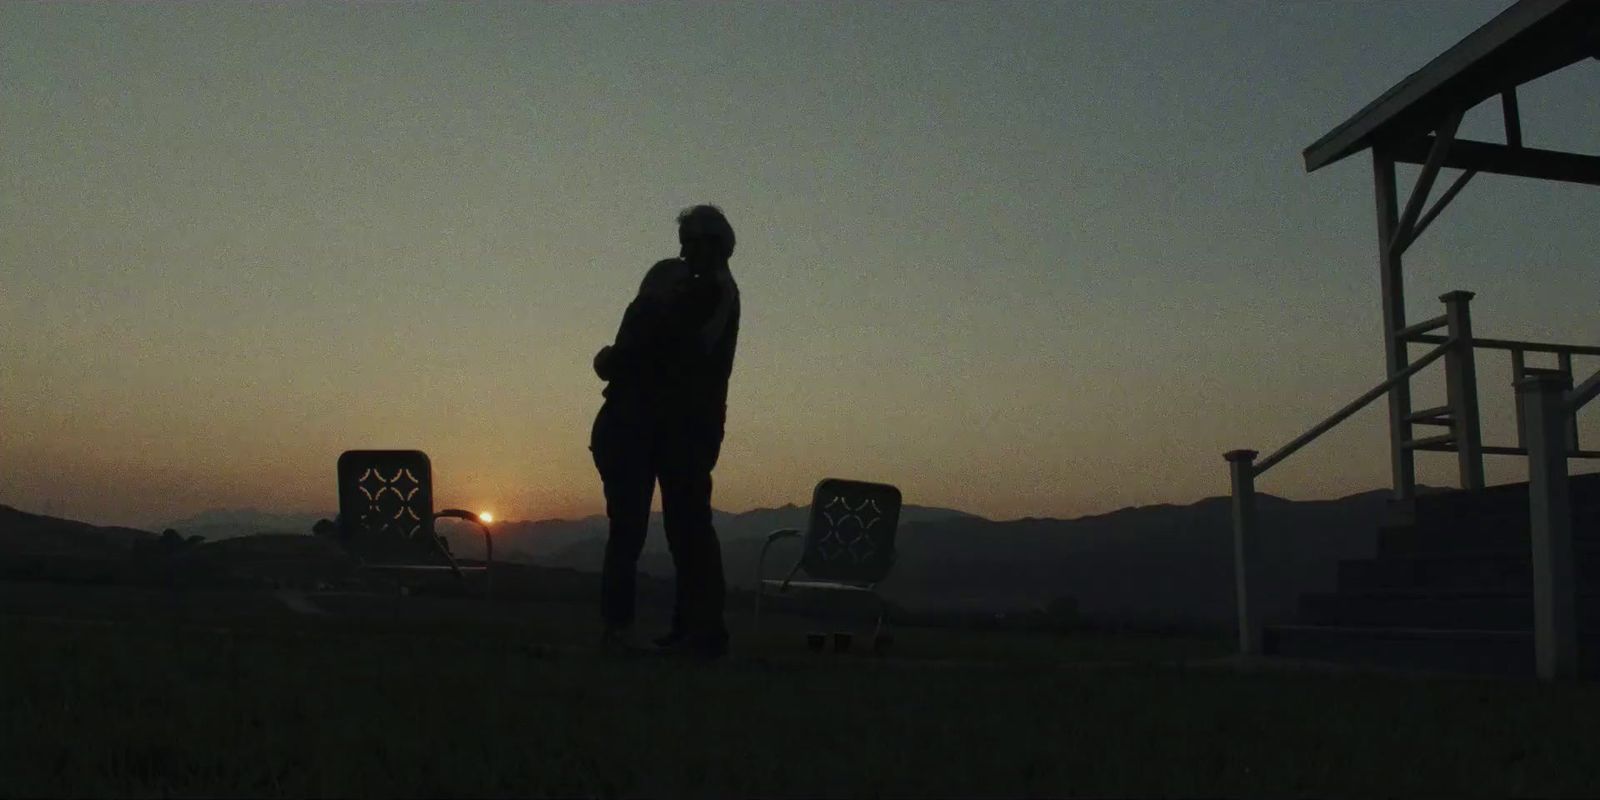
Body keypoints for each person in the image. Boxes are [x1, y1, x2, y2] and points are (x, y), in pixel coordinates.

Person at [590, 205, 740, 658]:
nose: (683, 252)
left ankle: (694, 631)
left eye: (692, 242)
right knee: (681, 529)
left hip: (683, 429)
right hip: (674, 427)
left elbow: (645, 354)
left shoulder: (708, 295)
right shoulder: (707, 294)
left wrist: (611, 357)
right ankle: (689, 629)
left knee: (677, 530)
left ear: (714, 245)